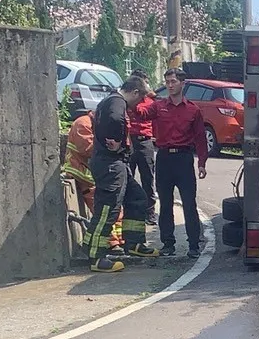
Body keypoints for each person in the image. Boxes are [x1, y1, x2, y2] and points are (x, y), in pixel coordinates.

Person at [82, 75, 160, 273]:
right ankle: (96, 256)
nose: (139, 105)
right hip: (110, 164)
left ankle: (133, 243)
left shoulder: (109, 101)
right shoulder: (117, 102)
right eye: (140, 98)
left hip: (116, 163)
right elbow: (116, 120)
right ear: (135, 92)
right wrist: (116, 140)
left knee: (137, 197)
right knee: (109, 209)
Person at [134, 69, 208, 258]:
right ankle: (168, 243)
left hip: (183, 159)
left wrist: (202, 163)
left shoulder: (193, 110)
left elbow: (200, 138)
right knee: (165, 204)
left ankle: (194, 245)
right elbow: (140, 114)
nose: (170, 85)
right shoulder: (158, 106)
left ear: (182, 83)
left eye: (173, 81)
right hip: (165, 159)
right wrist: (136, 94)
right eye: (167, 82)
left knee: (189, 203)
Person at [61, 108, 122, 252]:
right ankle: (112, 243)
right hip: (82, 172)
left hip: (93, 173)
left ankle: (119, 240)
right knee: (102, 208)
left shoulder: (95, 124)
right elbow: (88, 149)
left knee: (113, 206)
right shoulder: (83, 124)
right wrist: (110, 147)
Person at [126, 76, 158, 226]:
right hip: (129, 139)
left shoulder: (150, 101)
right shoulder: (126, 101)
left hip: (145, 141)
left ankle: (150, 212)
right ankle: (128, 210)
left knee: (148, 178)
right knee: (127, 176)